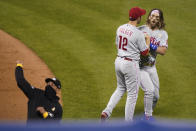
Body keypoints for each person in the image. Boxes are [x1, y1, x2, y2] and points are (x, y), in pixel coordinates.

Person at [100, 7, 150, 122]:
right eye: (141, 15)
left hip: (118, 61)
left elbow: (118, 44)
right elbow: (145, 52)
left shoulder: (120, 28)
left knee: (120, 88)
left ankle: (107, 111)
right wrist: (147, 39)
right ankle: (128, 124)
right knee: (132, 95)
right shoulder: (138, 33)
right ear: (138, 17)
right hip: (130, 64)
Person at [138, 9, 168, 120]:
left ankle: (147, 115)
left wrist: (150, 45)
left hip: (151, 68)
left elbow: (163, 51)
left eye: (157, 17)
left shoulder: (163, 34)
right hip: (140, 67)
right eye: (152, 16)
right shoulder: (140, 29)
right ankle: (146, 118)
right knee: (148, 91)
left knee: (156, 96)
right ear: (149, 17)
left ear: (160, 19)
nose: (154, 18)